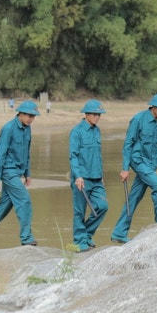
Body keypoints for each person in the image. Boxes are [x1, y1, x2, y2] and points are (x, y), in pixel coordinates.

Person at [0, 99, 40, 250]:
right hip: (8, 172)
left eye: (33, 116)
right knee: (24, 200)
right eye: (29, 116)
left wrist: (27, 173)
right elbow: (0, 154)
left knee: (3, 207)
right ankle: (26, 237)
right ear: (21, 114)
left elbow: (27, 152)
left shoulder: (28, 128)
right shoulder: (8, 128)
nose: (32, 119)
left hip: (18, 172)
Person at [111, 94, 157, 243]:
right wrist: (125, 168)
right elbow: (128, 144)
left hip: (151, 165)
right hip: (138, 161)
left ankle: (119, 232)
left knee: (133, 197)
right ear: (153, 106)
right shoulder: (138, 119)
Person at [69, 99, 108, 252]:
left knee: (102, 206)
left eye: (99, 115)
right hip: (82, 178)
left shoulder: (97, 131)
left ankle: (86, 234)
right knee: (79, 211)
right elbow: (73, 156)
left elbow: (98, 155)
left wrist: (101, 175)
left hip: (96, 177)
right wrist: (78, 176)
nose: (97, 117)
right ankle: (79, 241)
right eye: (94, 114)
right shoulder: (77, 132)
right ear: (86, 115)